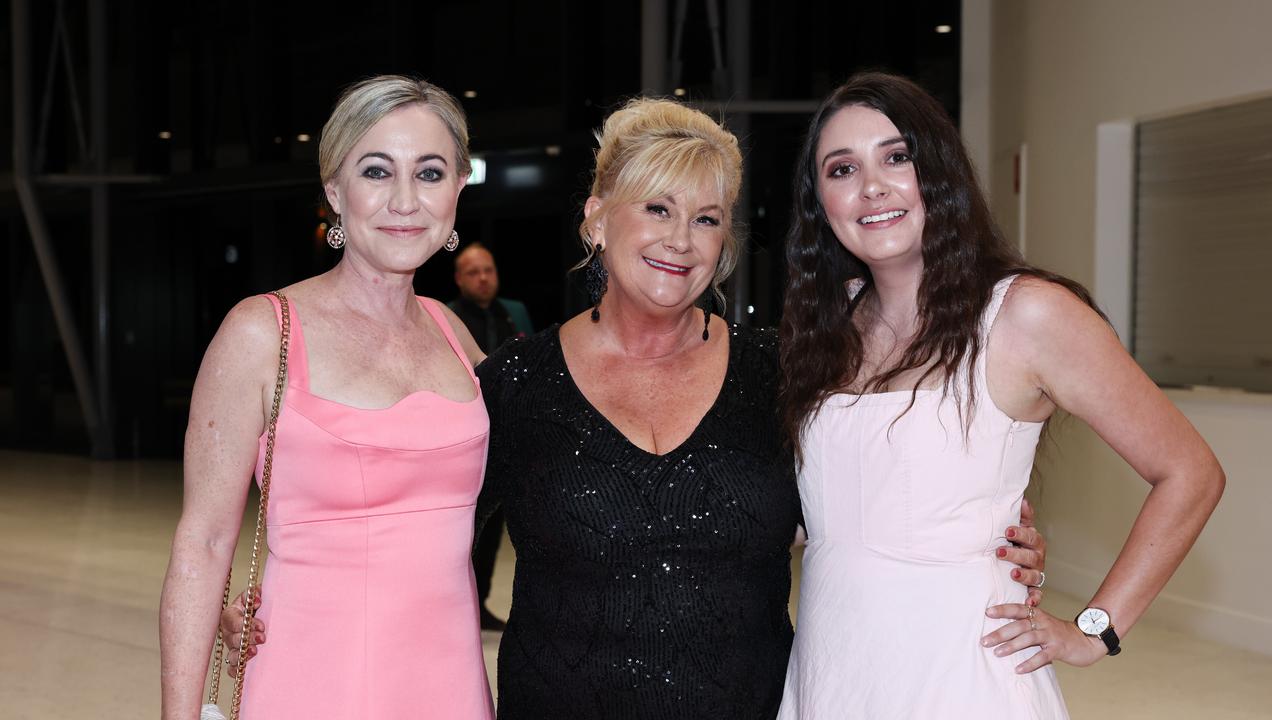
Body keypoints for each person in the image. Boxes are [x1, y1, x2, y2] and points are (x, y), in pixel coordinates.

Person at [220, 96, 1050, 719]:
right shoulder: (513, 383)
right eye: (655, 207)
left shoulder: (782, 372)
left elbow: (871, 488)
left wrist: (988, 531)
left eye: (706, 218)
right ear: (596, 218)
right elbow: (414, 515)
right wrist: (277, 596)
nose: (679, 239)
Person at [775, 72, 1225, 719]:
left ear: (939, 170)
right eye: (841, 169)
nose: (871, 186)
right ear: (820, 200)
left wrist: (1095, 629)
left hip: (963, 677)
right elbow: (825, 510)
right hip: (833, 671)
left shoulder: (1027, 315)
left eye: (896, 157)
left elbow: (1190, 472)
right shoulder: (827, 330)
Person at [158, 76, 493, 719]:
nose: (404, 199)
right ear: (335, 190)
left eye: (429, 172)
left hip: (448, 686)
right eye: (376, 170)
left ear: (457, 189)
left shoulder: (454, 335)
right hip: (311, 682)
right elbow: (202, 543)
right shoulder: (263, 332)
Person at [448, 242, 534, 631]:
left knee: (499, 529)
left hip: (508, 435)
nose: (483, 278)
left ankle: (480, 604)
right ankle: (456, 605)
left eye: (489, 270)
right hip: (463, 437)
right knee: (462, 529)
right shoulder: (448, 319)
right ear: (459, 279)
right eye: (473, 272)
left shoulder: (514, 312)